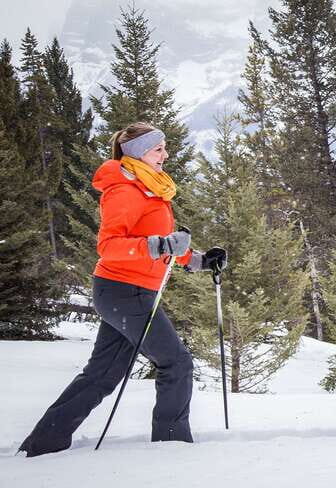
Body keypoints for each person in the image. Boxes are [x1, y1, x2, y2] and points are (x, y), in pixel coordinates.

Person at [18, 122, 227, 457]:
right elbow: (109, 245)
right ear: (136, 152)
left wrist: (198, 260)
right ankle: (172, 446)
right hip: (124, 290)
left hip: (125, 292)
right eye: (158, 148)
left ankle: (44, 443)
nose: (165, 154)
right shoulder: (124, 190)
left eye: (164, 148)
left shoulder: (148, 187)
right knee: (177, 363)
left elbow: (161, 241)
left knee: (103, 373)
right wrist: (159, 245)